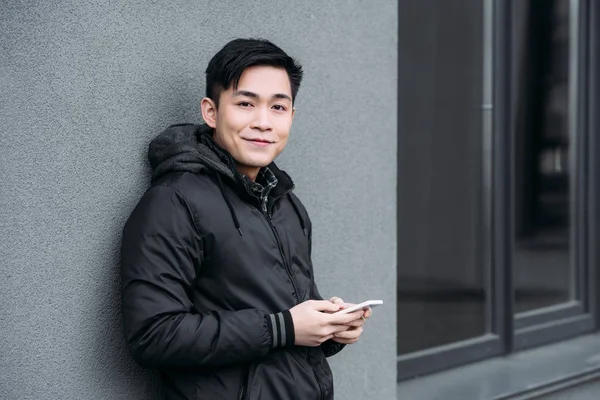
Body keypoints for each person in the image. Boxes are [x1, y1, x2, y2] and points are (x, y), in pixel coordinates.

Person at [120, 38, 371, 400]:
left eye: (278, 107)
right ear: (211, 111)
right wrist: (284, 327)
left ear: (292, 117)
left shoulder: (288, 205)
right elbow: (153, 334)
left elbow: (290, 320)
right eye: (245, 104)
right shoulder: (173, 201)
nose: (263, 122)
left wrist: (331, 329)